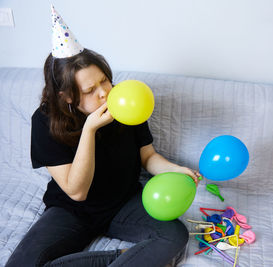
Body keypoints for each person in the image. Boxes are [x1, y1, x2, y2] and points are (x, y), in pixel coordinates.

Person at [5, 6, 200, 267]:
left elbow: (148, 156)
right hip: (72, 211)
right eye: (90, 90)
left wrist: (175, 170)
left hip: (124, 203)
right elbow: (77, 192)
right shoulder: (44, 120)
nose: (105, 93)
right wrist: (89, 129)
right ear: (68, 96)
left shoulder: (128, 103)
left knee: (174, 235)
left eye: (105, 80)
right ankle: (118, 259)